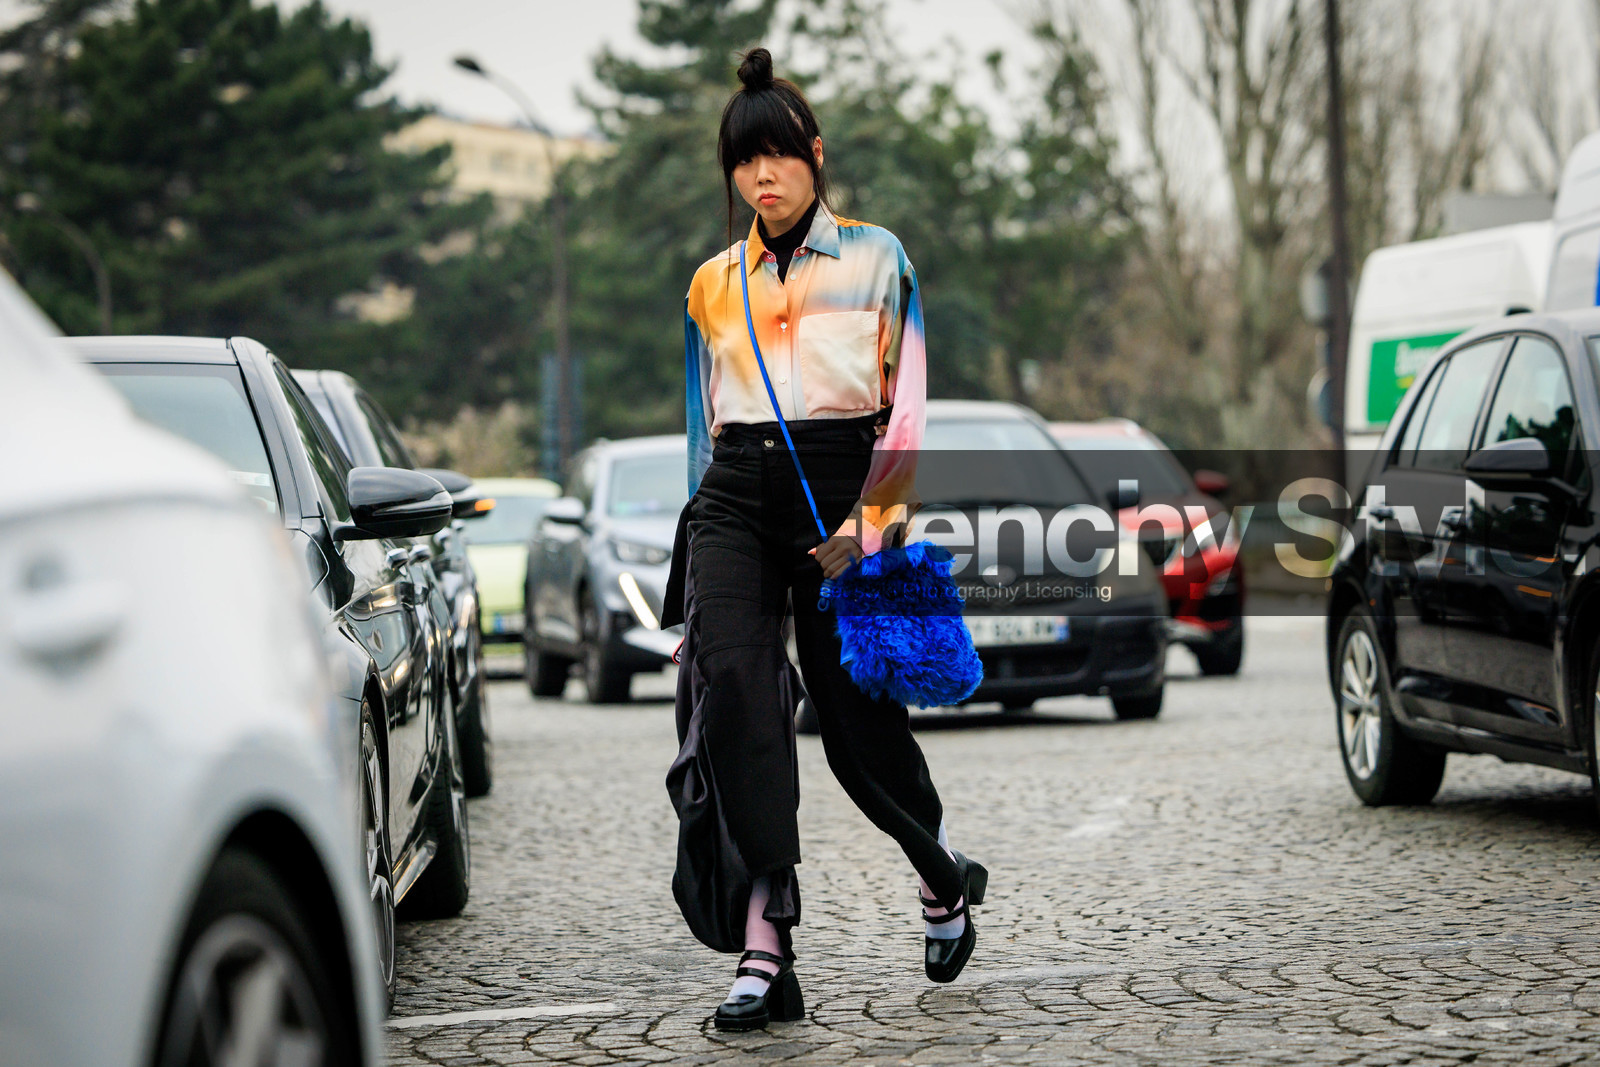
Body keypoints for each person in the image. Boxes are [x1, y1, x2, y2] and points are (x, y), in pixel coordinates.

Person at [659, 46, 988, 1033]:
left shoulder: (880, 258)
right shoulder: (709, 284)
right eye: (742, 164)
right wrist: (695, 573)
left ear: (812, 155)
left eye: (776, 158)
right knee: (736, 702)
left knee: (855, 730)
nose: (760, 179)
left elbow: (909, 404)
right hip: (731, 498)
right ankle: (767, 949)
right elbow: (698, 421)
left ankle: (940, 876)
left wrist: (871, 525)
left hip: (846, 490)